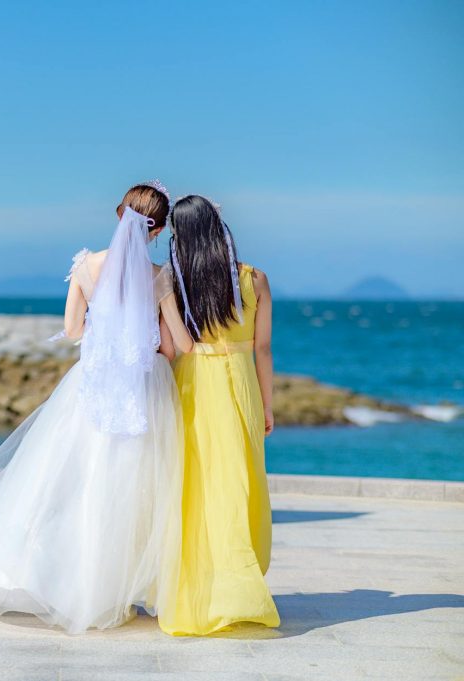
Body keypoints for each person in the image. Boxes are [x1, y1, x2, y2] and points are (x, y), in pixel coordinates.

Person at [0, 182, 184, 635]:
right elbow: (173, 346)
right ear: (157, 230)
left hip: (89, 389)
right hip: (140, 393)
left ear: (119, 215)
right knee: (124, 494)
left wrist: (107, 333)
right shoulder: (159, 278)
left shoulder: (86, 267)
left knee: (65, 487)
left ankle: (52, 582)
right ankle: (106, 592)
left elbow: (73, 329)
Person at [157, 194, 280, 635]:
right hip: (239, 384)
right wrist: (267, 404)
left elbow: (170, 348)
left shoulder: (173, 281)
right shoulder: (255, 279)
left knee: (193, 485)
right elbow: (263, 348)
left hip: (191, 385)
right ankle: (238, 586)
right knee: (239, 482)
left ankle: (197, 589)